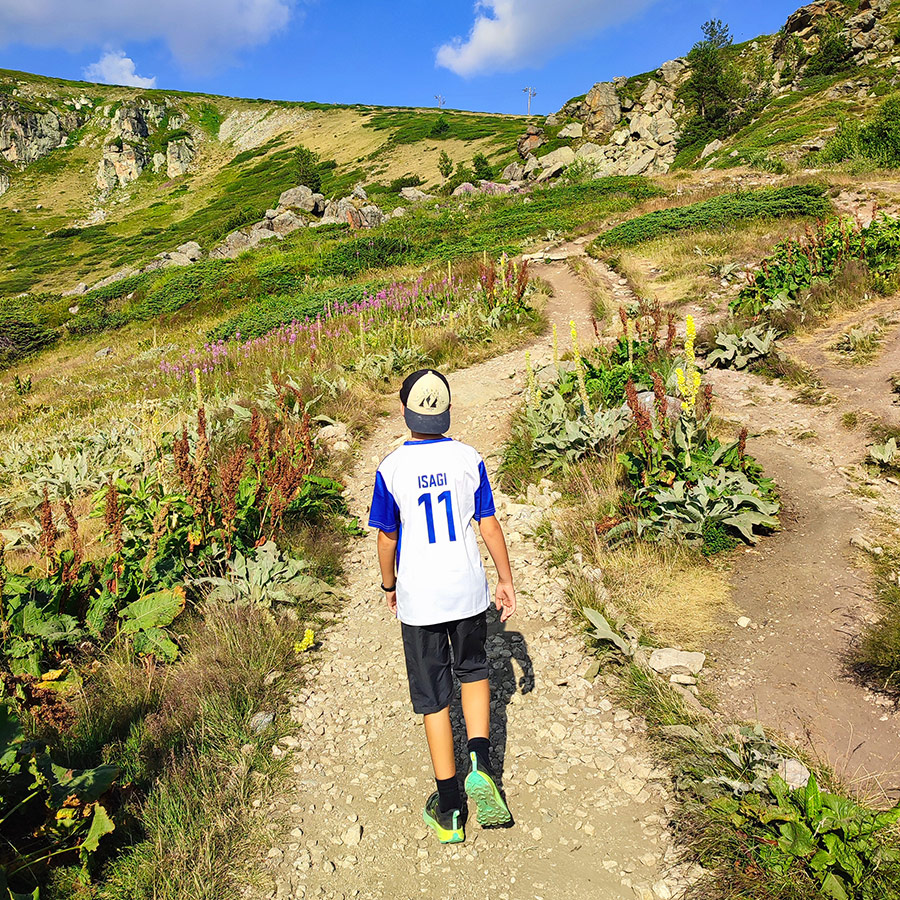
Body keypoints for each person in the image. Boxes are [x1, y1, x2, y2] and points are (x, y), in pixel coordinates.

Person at [368, 369, 517, 844]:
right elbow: (489, 524)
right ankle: (482, 763)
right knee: (474, 671)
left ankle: (450, 807)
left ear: (404, 411)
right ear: (448, 411)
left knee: (434, 698)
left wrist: (389, 585)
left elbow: (387, 536)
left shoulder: (391, 469)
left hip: (422, 600)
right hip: (468, 592)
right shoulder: (469, 459)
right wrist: (506, 579)